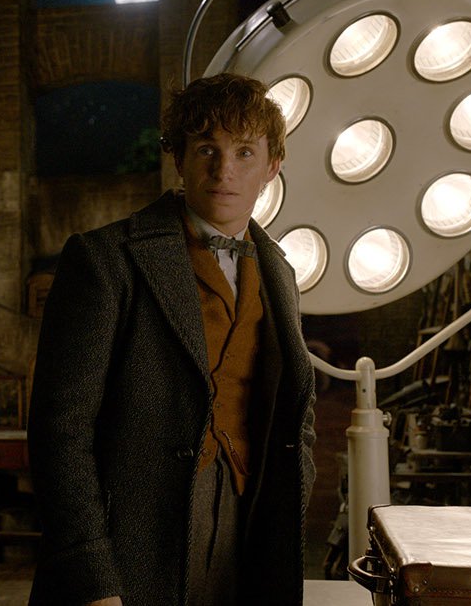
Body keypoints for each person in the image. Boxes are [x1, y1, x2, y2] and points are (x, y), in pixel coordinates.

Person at [27, 73, 316, 606]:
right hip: (128, 543)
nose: (224, 170)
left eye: (244, 152)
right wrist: (91, 576)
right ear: (179, 159)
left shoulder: (281, 271)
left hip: (248, 527)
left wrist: (291, 495)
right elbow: (59, 430)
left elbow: (297, 412)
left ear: (272, 167)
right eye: (206, 149)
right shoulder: (104, 259)